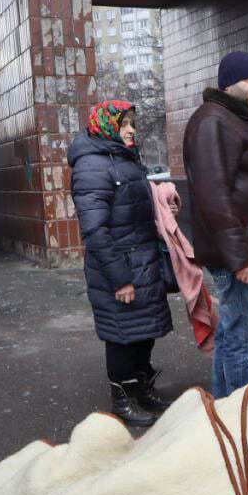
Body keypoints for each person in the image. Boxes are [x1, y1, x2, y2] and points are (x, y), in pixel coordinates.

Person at [183, 51, 248, 399]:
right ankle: (244, 416)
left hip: (241, 249)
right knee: (244, 341)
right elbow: (214, 195)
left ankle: (226, 409)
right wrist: (240, 256)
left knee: (232, 335)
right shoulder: (216, 121)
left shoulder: (232, 118)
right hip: (238, 253)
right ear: (229, 84)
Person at [69, 100, 174, 426]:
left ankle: (140, 387)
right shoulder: (92, 166)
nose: (130, 130)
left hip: (143, 262)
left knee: (144, 332)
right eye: (123, 124)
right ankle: (122, 396)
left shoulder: (122, 157)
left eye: (132, 124)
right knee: (121, 336)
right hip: (120, 270)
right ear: (105, 126)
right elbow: (95, 230)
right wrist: (121, 279)